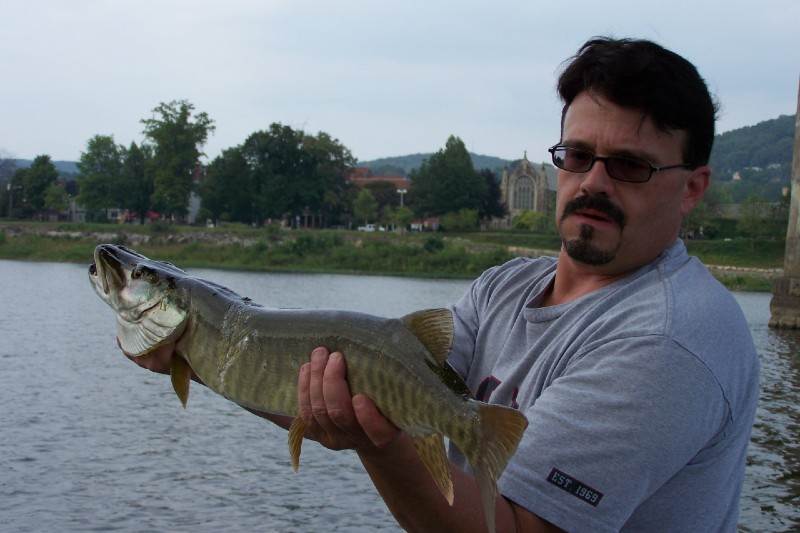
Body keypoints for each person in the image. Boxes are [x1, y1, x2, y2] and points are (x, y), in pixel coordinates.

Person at [130, 37, 760, 532]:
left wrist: (380, 449)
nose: (593, 182)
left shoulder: (668, 342)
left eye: (628, 165)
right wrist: (208, 354)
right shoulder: (506, 287)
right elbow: (374, 395)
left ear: (693, 188)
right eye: (575, 156)